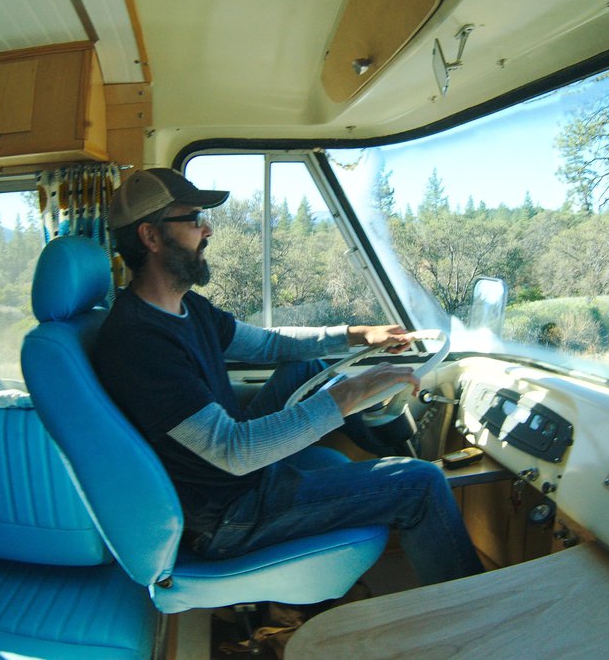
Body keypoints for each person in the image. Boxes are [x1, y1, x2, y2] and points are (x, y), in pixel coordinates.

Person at [92, 168, 483, 585]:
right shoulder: (139, 340)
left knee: (306, 369)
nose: (207, 230)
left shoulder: (187, 309)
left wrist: (358, 335)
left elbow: (269, 345)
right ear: (151, 237)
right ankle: (472, 618)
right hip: (227, 513)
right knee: (421, 482)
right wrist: (350, 394)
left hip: (234, 479)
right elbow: (233, 450)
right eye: (192, 219)